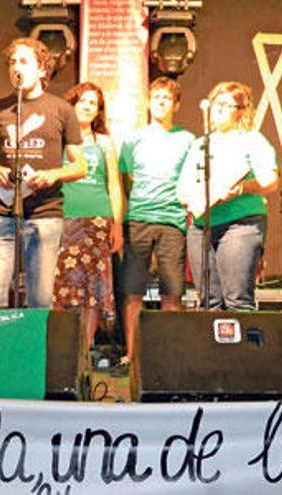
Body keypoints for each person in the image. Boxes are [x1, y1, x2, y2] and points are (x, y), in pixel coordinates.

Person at [0, 38, 85, 309]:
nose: (16, 68)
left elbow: (80, 166)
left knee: (39, 300)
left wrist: (53, 175)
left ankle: (33, 352)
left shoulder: (62, 110)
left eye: (24, 61)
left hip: (45, 214)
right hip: (2, 212)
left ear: (42, 70)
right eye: (12, 62)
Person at [177, 81, 279, 310]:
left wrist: (242, 189)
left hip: (239, 225)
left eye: (227, 104)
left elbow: (270, 182)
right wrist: (191, 200)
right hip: (201, 227)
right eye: (216, 103)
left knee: (236, 300)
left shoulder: (252, 140)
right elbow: (182, 186)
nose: (219, 108)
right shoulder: (200, 144)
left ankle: (241, 346)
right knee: (208, 302)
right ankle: (212, 346)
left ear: (241, 110)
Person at [118, 77, 195, 365]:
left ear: (176, 105)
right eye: (156, 97)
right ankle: (132, 354)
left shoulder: (188, 140)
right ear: (149, 102)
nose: (161, 102)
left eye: (167, 98)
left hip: (172, 222)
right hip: (138, 220)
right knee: (133, 291)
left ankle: (168, 356)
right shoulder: (133, 139)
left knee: (172, 293)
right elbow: (125, 178)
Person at [52, 82, 124, 348]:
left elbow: (114, 185)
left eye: (93, 103)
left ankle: (83, 350)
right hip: (61, 218)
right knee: (58, 287)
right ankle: (60, 350)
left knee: (91, 290)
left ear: (98, 112)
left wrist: (116, 225)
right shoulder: (57, 138)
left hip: (97, 220)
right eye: (82, 100)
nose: (86, 106)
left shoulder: (104, 142)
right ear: (71, 104)